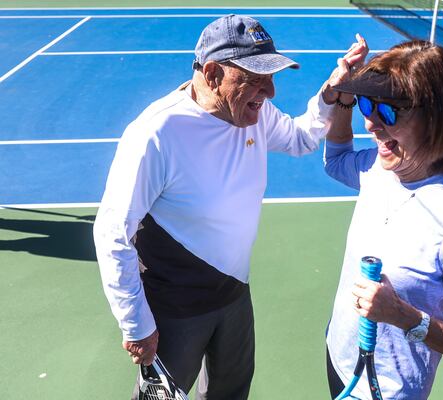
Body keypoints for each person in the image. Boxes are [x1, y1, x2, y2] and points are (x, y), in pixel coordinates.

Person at [93, 14, 367, 399]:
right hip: (175, 308)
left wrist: (329, 93)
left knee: (231, 391)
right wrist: (135, 322)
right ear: (212, 73)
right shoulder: (156, 134)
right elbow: (111, 233)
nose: (269, 91)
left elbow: (302, 137)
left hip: (235, 293)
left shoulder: (253, 114)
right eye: (255, 77)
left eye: (271, 76)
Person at [323, 40, 443, 399]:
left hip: (389, 390)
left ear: (434, 117)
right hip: (339, 358)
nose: (371, 124)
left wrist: (402, 314)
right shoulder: (380, 166)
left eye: (388, 112)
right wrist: (342, 98)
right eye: (366, 105)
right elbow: (337, 159)